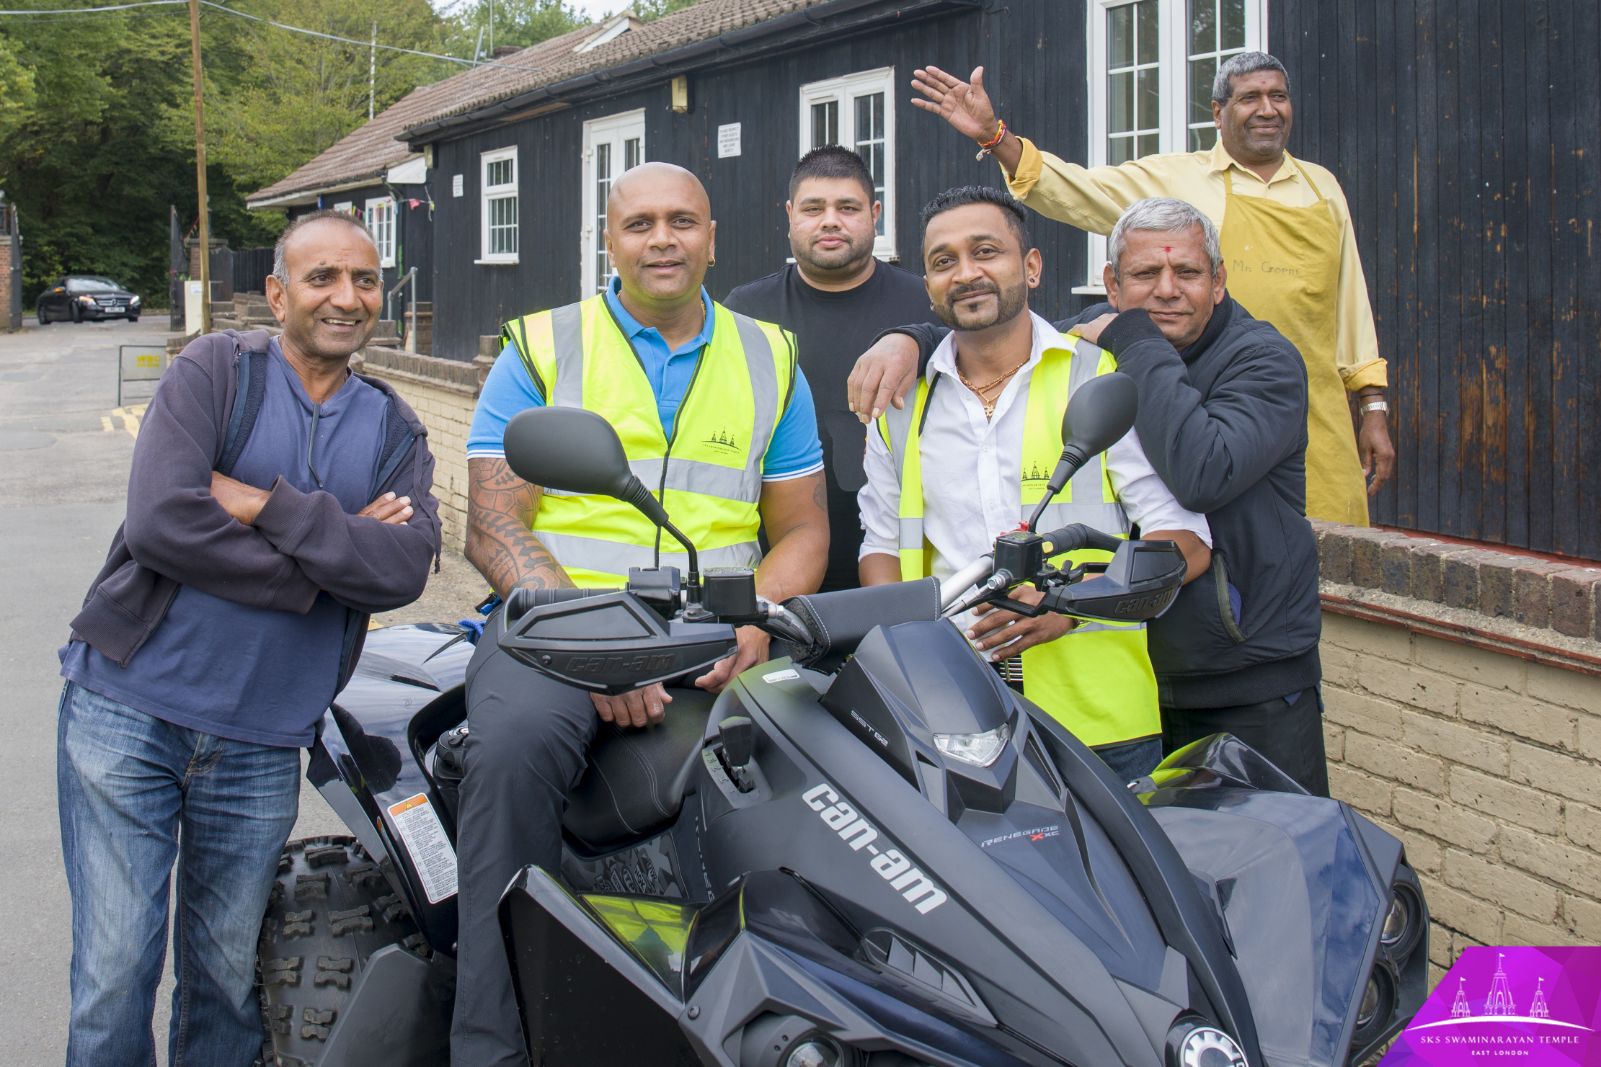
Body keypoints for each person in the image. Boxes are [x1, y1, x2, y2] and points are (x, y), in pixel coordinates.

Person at [457, 161, 828, 1064]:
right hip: (561, 632)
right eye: (640, 225)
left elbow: (803, 528)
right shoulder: (543, 345)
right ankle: (493, 1043)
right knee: (508, 760)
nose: (662, 240)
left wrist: (761, 612)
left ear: (712, 235)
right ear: (608, 239)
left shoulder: (768, 354)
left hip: (722, 637)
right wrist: (600, 652)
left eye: (682, 222)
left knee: (837, 776)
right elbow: (493, 519)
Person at [56, 209, 440, 1066]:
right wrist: (327, 562)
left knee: (226, 977)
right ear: (277, 294)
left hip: (264, 738)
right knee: (115, 972)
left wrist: (266, 506)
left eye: (366, 280)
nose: (348, 297)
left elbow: (403, 567)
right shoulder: (214, 372)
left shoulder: (393, 429)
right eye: (323, 278)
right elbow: (163, 521)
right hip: (129, 712)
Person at [864, 198, 1327, 795]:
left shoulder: (1111, 375)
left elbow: (1187, 528)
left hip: (1150, 705)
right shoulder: (902, 401)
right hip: (949, 711)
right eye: (943, 261)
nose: (967, 271)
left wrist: (1072, 603)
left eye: (986, 252)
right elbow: (882, 544)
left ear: (1032, 267)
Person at [888, 51, 1394, 525]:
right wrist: (996, 137)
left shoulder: (1322, 186)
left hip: (1305, 400)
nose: (1267, 109)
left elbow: (1349, 303)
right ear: (1218, 113)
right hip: (1195, 399)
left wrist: (1372, 407)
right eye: (1249, 98)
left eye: (1278, 97)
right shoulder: (1178, 179)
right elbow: (1077, 191)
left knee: (1325, 549)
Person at [724, 145, 939, 591]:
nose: (830, 221)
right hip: (776, 574)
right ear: (789, 215)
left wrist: (919, 337)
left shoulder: (928, 303)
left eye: (848, 207)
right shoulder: (745, 313)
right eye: (813, 208)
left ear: (874, 213)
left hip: (903, 570)